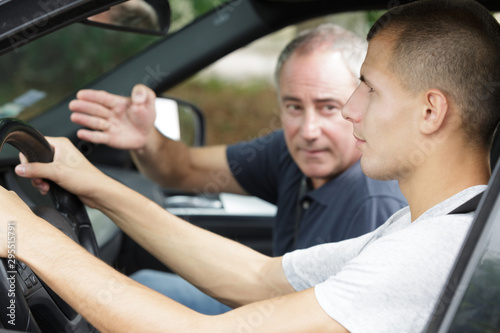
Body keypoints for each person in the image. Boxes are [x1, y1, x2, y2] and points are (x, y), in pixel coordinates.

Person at [1, 0, 498, 331]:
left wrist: (30, 237)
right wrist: (95, 185)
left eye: (369, 87)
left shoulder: (435, 252)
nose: (351, 110)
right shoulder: (438, 225)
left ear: (432, 111)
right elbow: (257, 277)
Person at [67, 24, 406, 314]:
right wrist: (146, 139)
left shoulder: (375, 204)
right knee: (141, 287)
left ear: (361, 104)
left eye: (329, 107)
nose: (308, 129)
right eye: (293, 106)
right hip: (275, 306)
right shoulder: (291, 152)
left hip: (298, 320)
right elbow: (183, 170)